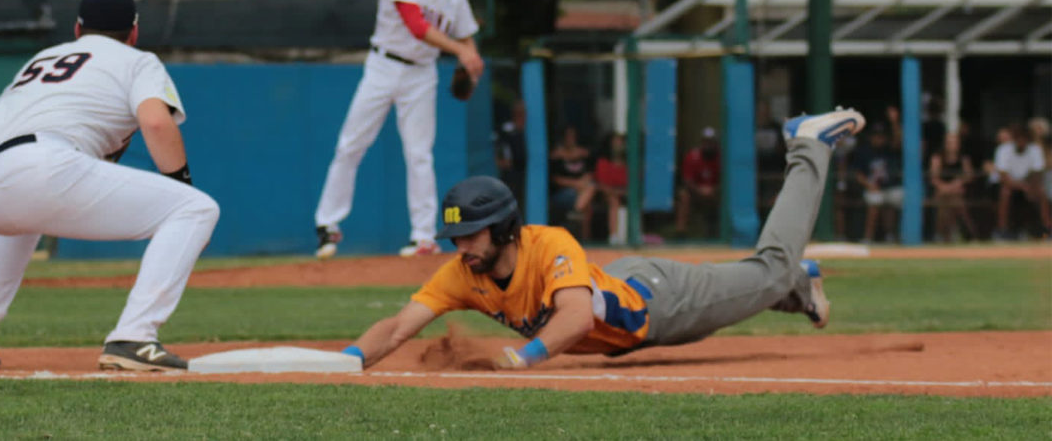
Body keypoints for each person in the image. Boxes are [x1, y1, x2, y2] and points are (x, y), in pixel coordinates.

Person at [337, 109, 865, 371]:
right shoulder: (463, 272)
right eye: (454, 237)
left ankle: (808, 144)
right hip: (624, 291)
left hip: (663, 302)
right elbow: (399, 326)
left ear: (501, 228)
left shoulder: (550, 245)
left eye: (469, 235)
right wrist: (350, 358)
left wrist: (523, 358)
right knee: (752, 288)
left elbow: (576, 319)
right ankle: (797, 287)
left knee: (768, 268)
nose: (460, 247)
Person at [0, 0, 219, 373]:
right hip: (34, 166)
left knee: (24, 214)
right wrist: (179, 185)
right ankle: (134, 337)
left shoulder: (44, 56)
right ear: (134, 32)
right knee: (196, 208)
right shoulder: (138, 60)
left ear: (77, 29)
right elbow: (156, 122)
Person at [313, 0, 484, 260]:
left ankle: (424, 237)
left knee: (419, 154)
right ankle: (327, 224)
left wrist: (472, 63)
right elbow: (416, 26)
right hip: (383, 66)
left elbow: (467, 37)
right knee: (351, 144)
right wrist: (461, 51)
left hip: (421, 74)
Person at [992, 124, 1049, 239]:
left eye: (1023, 138)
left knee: (1041, 192)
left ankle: (1047, 228)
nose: (1020, 141)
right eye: (1018, 138)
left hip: (1029, 185)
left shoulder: (1035, 150)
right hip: (1009, 186)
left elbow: (1037, 174)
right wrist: (1022, 186)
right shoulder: (1004, 149)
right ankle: (1002, 230)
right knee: (1005, 192)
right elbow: (1004, 178)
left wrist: (1029, 187)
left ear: (1028, 139)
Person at [853, 128, 903, 243]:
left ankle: (890, 235)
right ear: (871, 137)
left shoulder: (889, 150)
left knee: (895, 198)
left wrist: (894, 124)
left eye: (881, 136)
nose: (879, 139)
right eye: (876, 136)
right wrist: (869, 185)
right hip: (871, 187)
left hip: (889, 187)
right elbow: (858, 175)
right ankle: (868, 237)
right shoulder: (864, 152)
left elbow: (898, 141)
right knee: (875, 200)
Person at [549, 126, 596, 240]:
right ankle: (577, 213)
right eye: (568, 136)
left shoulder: (583, 154)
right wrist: (576, 184)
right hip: (563, 194)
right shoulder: (556, 156)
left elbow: (590, 175)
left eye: (573, 136)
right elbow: (556, 180)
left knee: (589, 199)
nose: (570, 139)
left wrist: (581, 183)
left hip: (582, 192)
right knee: (587, 200)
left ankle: (577, 214)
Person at [929, 132, 976, 242]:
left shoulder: (963, 158)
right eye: (949, 142)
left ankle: (945, 234)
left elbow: (969, 176)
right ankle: (966, 233)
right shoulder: (937, 158)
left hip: (959, 190)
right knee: (947, 200)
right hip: (942, 191)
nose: (952, 145)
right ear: (945, 144)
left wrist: (956, 184)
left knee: (955, 199)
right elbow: (933, 178)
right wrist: (945, 187)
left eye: (955, 142)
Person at [674, 127, 721, 236]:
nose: (708, 145)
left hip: (715, 193)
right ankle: (681, 233)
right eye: (706, 142)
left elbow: (726, 181)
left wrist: (714, 190)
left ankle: (717, 232)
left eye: (711, 142)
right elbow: (687, 181)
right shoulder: (692, 156)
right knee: (684, 195)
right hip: (695, 193)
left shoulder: (721, 158)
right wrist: (700, 190)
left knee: (726, 196)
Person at [493, 101, 528, 213]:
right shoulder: (506, 130)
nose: (522, 117)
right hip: (510, 172)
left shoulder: (527, 131)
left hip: (523, 171)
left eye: (523, 114)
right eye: (519, 113)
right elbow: (498, 145)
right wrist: (500, 160)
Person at [594, 132, 628, 245]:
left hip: (624, 194)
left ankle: (638, 233)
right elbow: (602, 185)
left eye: (621, 142)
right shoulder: (603, 162)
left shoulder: (630, 164)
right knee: (614, 201)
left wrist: (622, 192)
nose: (618, 146)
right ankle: (613, 236)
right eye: (615, 142)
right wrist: (615, 192)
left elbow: (632, 186)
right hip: (605, 196)